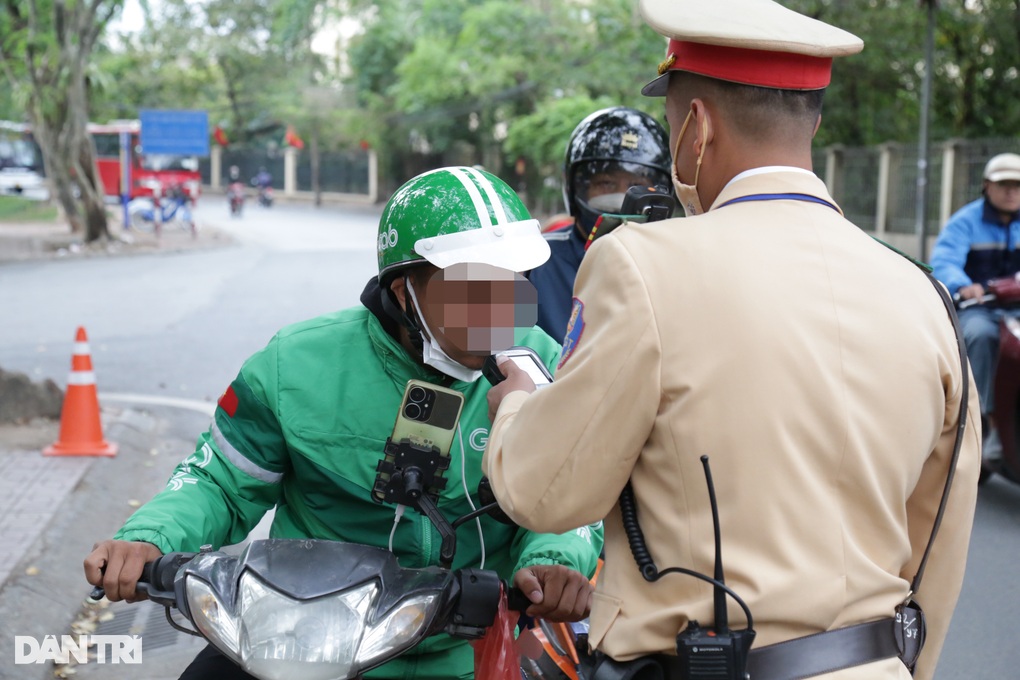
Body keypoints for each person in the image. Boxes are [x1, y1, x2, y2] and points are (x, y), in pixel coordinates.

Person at [482, 1, 979, 679]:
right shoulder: (923, 294)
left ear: (696, 127)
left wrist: (517, 404)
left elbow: (547, 493)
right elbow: (938, 540)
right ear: (815, 121)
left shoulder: (643, 265)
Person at [84, 166, 602, 680]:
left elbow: (571, 498)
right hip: (296, 643)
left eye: (511, 283)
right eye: (473, 288)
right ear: (405, 292)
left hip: (469, 654)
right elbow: (218, 483)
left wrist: (556, 562)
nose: (498, 309)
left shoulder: (543, 368)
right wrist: (149, 538)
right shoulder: (294, 366)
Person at [528, 107, 672, 340]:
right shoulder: (536, 261)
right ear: (576, 186)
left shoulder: (676, 263)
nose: (621, 199)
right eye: (606, 184)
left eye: (636, 185)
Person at [931, 152, 1020, 460]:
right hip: (978, 309)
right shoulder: (964, 222)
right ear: (986, 186)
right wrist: (962, 284)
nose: (1012, 192)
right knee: (983, 337)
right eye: (1004, 184)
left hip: (1017, 311)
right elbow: (944, 262)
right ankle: (984, 422)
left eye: (1017, 185)